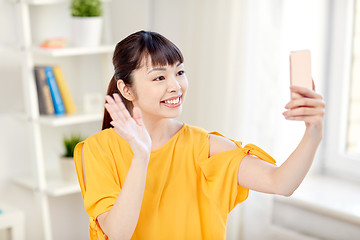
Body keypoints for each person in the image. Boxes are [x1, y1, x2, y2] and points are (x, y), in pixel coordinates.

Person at [74, 30, 325, 240]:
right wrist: (141, 157)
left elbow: (280, 183)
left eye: (180, 72)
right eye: (160, 77)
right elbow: (118, 234)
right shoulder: (97, 150)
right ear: (126, 89)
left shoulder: (203, 146)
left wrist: (313, 132)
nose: (176, 86)